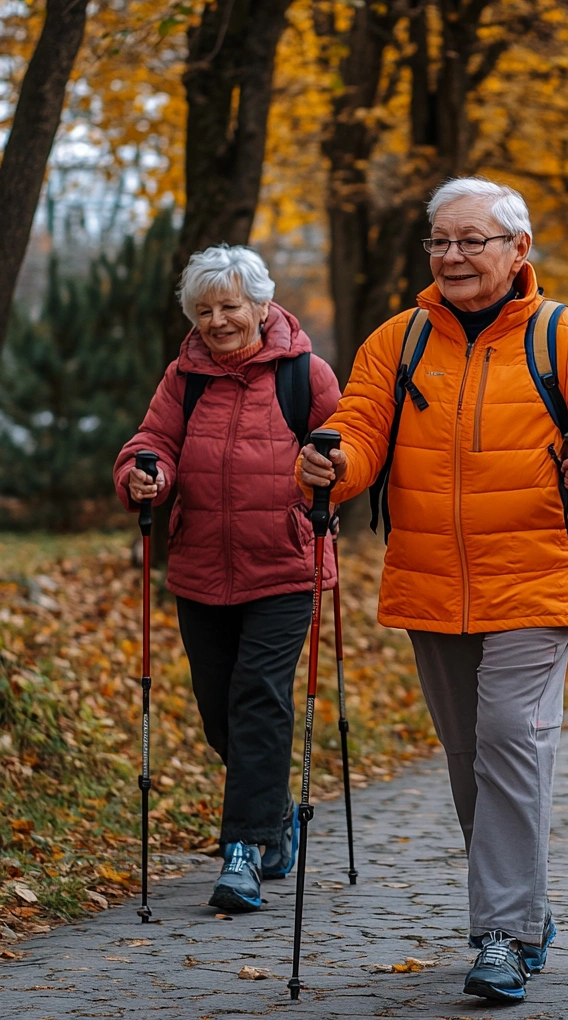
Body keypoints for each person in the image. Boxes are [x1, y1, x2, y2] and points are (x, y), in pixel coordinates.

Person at [298, 176, 568, 1003]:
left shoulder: (565, 335)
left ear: (518, 248)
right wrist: (328, 465)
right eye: (441, 241)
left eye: (472, 240)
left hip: (535, 575)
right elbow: (361, 431)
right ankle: (526, 909)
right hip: (432, 580)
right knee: (470, 757)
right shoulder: (399, 340)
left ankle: (500, 933)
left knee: (507, 738)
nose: (453, 255)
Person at [113, 245, 341, 913]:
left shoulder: (305, 374)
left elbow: (349, 446)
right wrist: (143, 474)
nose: (217, 321)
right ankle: (274, 816)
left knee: (259, 698)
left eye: (230, 307)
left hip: (284, 566)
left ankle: (243, 852)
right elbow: (153, 441)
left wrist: (333, 474)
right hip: (202, 567)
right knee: (220, 712)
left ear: (261, 306)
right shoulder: (185, 377)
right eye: (204, 310)